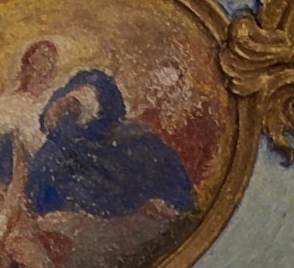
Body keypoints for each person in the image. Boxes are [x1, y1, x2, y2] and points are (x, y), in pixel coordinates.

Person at [24, 69, 199, 224]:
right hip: (70, 152)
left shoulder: (89, 80)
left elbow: (107, 99)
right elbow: (43, 127)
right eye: (39, 61)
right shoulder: (50, 153)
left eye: (47, 60)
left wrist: (73, 100)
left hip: (104, 138)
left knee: (146, 154)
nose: (42, 67)